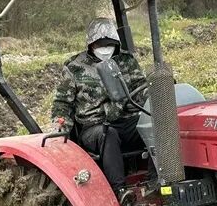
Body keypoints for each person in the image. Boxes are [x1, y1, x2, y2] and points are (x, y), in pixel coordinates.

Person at [51, 18, 148, 195]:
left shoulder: (126, 61)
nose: (105, 48)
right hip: (94, 126)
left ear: (116, 44)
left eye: (109, 44)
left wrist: (154, 93)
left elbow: (141, 88)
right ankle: (119, 192)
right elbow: (62, 103)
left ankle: (158, 181)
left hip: (125, 119)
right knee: (108, 134)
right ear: (91, 44)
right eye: (100, 44)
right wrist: (60, 128)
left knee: (154, 125)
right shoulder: (75, 67)